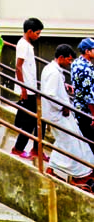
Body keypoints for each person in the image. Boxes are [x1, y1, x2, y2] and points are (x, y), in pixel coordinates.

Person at [40, 44, 94, 185]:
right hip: (57, 114)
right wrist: (63, 106)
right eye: (68, 60)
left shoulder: (51, 69)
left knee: (66, 141)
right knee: (72, 143)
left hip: (56, 113)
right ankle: (78, 175)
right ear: (61, 58)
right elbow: (51, 94)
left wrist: (64, 87)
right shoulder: (53, 72)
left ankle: (53, 169)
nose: (69, 63)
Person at [11, 18, 46, 159]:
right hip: (27, 89)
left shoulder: (27, 45)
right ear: (30, 31)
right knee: (29, 121)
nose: (38, 36)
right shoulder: (23, 45)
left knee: (39, 120)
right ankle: (18, 148)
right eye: (37, 33)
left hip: (31, 88)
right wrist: (23, 89)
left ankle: (37, 149)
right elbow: (18, 67)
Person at [71, 38, 94, 153]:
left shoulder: (76, 63)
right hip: (86, 111)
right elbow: (88, 95)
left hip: (78, 107)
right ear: (87, 51)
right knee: (90, 142)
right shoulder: (86, 69)